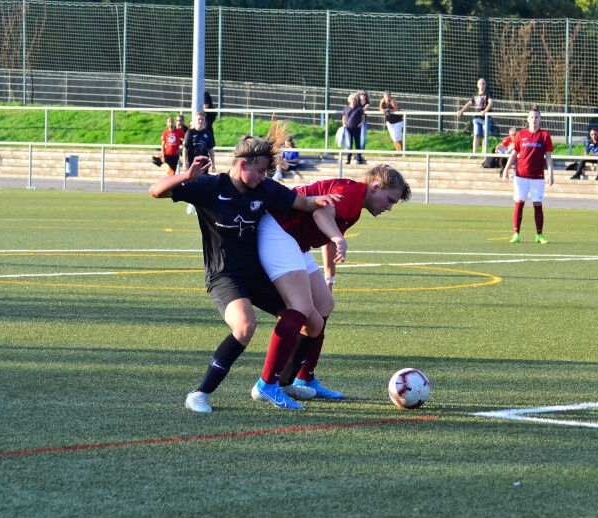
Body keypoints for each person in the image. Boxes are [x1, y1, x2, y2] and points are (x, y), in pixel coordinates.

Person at [148, 123, 340, 413]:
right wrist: (187, 175)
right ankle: (199, 394)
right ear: (241, 164)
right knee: (245, 326)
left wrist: (320, 201)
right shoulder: (210, 186)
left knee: (311, 321)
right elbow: (155, 191)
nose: (264, 176)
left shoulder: (265, 189)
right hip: (225, 275)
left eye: (265, 172)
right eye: (260, 170)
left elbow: (301, 202)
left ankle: (279, 384)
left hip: (256, 273)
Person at [253, 164, 412, 402]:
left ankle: (304, 377)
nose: (389, 207)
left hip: (295, 240)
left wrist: (330, 276)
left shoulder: (356, 202)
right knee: (301, 307)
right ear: (376, 186)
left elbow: (329, 234)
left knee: (325, 303)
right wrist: (338, 237)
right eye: (389, 199)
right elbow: (321, 213)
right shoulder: (354, 192)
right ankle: (267, 383)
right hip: (279, 230)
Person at [501, 105, 554, 244]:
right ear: (527, 119)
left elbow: (548, 156)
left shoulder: (545, 135)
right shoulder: (521, 134)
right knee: (519, 203)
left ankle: (539, 235)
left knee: (538, 204)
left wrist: (551, 173)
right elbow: (514, 154)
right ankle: (516, 233)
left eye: (536, 117)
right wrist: (506, 170)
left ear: (540, 119)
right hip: (521, 176)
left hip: (537, 177)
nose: (534, 119)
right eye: (531, 117)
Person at [182, 112, 216, 214]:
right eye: (199, 119)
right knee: (193, 184)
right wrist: (184, 162)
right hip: (193, 163)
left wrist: (213, 163)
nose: (200, 121)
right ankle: (192, 203)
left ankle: (199, 206)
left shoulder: (207, 133)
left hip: (204, 163)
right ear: (195, 121)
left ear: (204, 121)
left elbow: (210, 149)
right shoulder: (190, 133)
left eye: (202, 119)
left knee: (203, 184)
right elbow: (185, 148)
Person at [456, 78, 494, 155]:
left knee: (485, 136)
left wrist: (484, 111)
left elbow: (490, 103)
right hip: (477, 118)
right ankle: (474, 154)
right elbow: (469, 103)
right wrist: (461, 110)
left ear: (485, 85)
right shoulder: (475, 94)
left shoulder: (488, 93)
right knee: (476, 135)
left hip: (486, 119)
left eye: (483, 83)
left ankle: (484, 154)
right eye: (480, 84)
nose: (482, 85)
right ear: (477, 85)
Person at [342, 93, 365, 165]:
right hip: (348, 128)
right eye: (352, 99)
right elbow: (343, 117)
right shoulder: (346, 107)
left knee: (357, 143)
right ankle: (348, 159)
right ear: (349, 100)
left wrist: (361, 124)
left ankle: (359, 159)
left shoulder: (359, 108)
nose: (353, 100)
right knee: (349, 143)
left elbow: (363, 117)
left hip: (356, 128)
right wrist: (344, 124)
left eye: (355, 99)